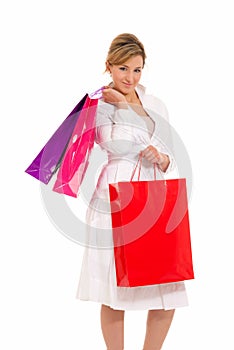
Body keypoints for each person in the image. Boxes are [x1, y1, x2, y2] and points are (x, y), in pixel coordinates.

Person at [76, 33, 188, 350]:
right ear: (109, 67)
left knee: (167, 290)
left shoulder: (155, 104)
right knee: (115, 290)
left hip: (154, 197)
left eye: (137, 70)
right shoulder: (97, 106)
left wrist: (163, 158)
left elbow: (168, 150)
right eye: (123, 69)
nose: (130, 77)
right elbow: (115, 144)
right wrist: (123, 106)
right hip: (114, 198)